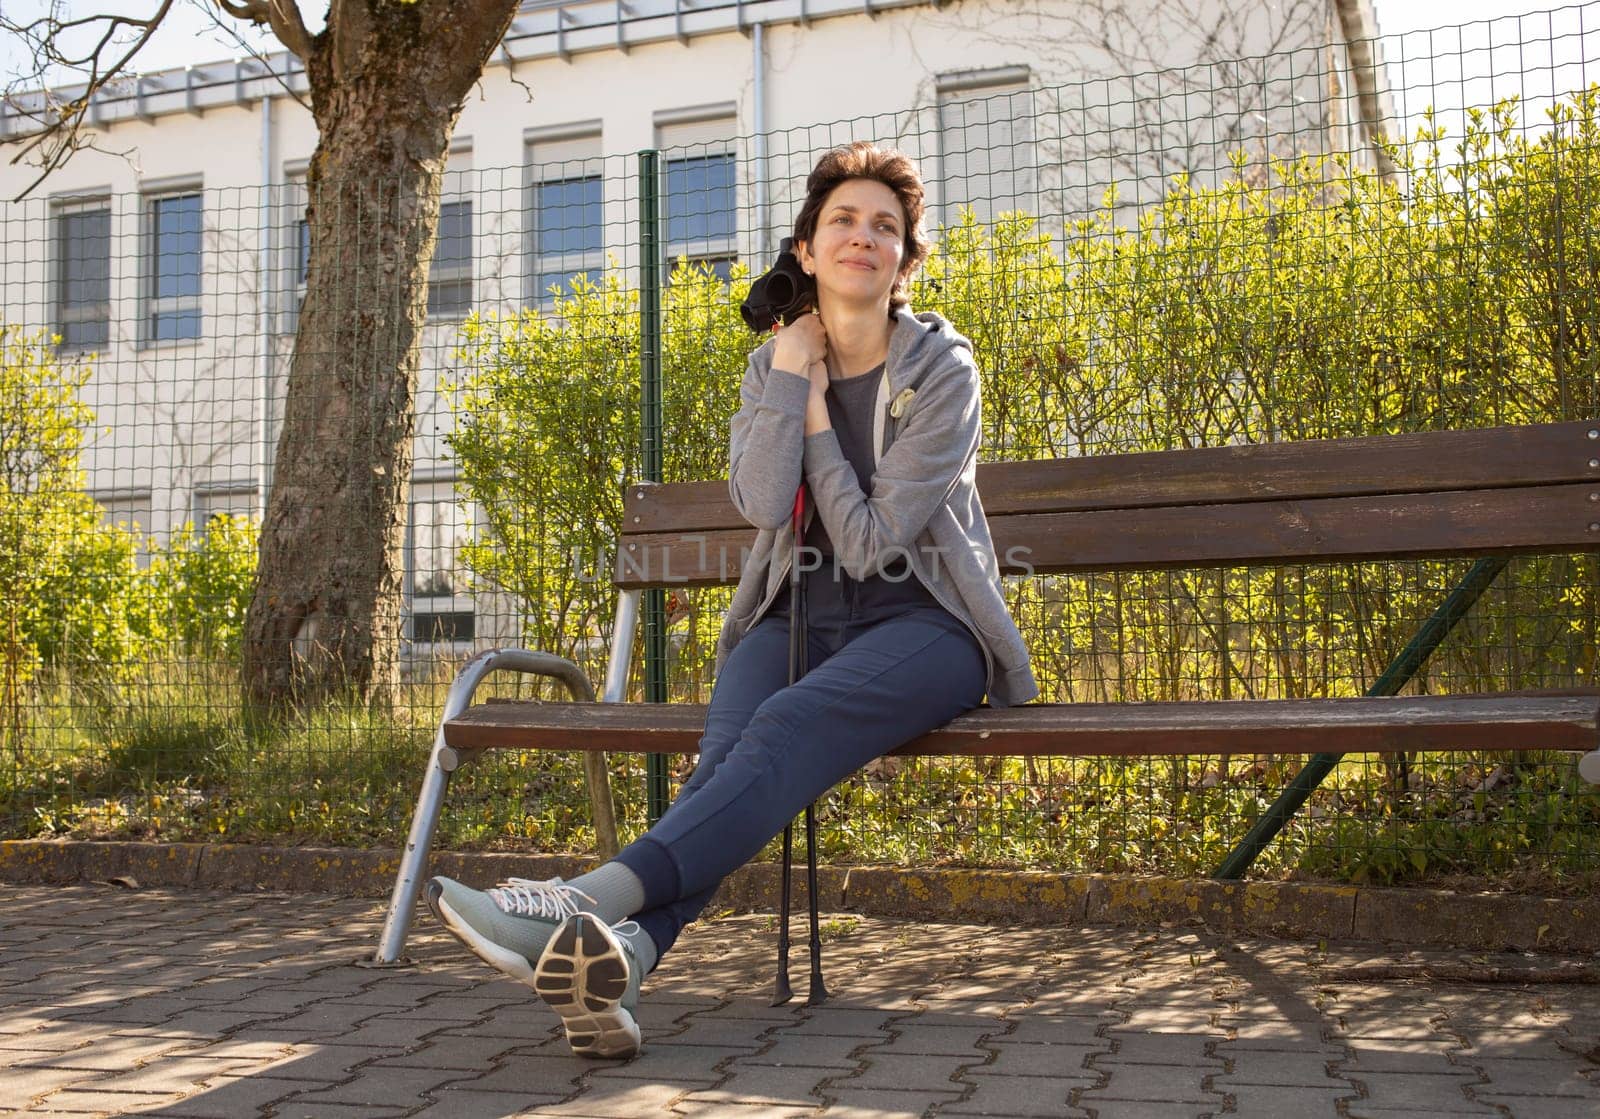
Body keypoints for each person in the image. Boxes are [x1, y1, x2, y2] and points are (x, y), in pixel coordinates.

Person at [426, 141, 1038, 1060]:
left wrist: (822, 416)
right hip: (794, 611)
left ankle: (580, 900)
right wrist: (792, 371)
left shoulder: (944, 371)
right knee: (729, 766)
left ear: (907, 261)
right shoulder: (771, 367)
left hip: (926, 623)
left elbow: (873, 543)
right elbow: (758, 502)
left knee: (783, 726)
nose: (862, 237)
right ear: (806, 249)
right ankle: (625, 954)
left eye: (885, 227)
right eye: (843, 220)